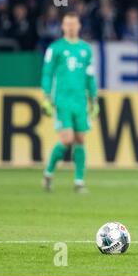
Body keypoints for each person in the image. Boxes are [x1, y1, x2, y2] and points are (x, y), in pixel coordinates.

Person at [40, 12, 99, 194]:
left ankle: (79, 181)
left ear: (79, 26)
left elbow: (90, 77)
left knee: (80, 138)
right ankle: (49, 172)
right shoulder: (55, 48)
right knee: (66, 139)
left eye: (74, 24)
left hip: (80, 101)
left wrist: (94, 100)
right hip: (62, 101)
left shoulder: (86, 49)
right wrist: (47, 98)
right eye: (67, 24)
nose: (71, 27)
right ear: (63, 26)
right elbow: (47, 73)